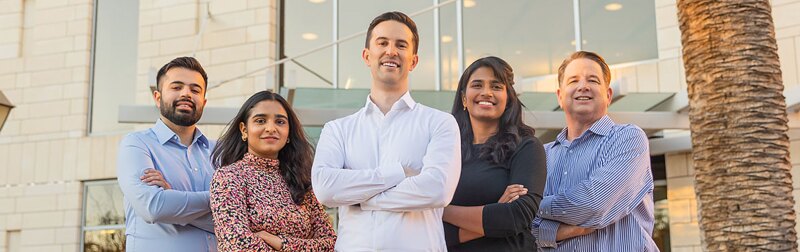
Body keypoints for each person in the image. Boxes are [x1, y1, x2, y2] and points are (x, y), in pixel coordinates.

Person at [311, 11, 461, 251]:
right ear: (367, 56)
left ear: (413, 61)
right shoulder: (337, 129)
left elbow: (437, 190)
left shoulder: (440, 123)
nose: (391, 51)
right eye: (382, 43)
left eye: (401, 45)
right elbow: (326, 188)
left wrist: (361, 198)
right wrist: (396, 173)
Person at [531, 51, 658, 251]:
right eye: (573, 81)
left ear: (608, 95)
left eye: (593, 80)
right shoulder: (541, 156)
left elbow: (594, 204)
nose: (583, 86)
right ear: (560, 96)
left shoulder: (628, 139)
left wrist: (532, 206)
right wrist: (559, 231)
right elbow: (519, 228)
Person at [209, 91, 336, 251]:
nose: (271, 128)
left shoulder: (302, 180)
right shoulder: (229, 177)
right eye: (260, 121)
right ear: (244, 129)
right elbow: (236, 244)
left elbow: (330, 243)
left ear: (289, 131)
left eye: (280, 122)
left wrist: (280, 243)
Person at [443, 56, 546, 251]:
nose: (486, 92)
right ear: (464, 98)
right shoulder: (446, 150)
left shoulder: (527, 147)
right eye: (477, 85)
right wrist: (494, 211)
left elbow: (516, 217)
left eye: (496, 86)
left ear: (508, 100)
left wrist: (439, 210)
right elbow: (432, 231)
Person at [117, 57, 217, 252]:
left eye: (195, 90)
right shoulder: (136, 144)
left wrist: (173, 199)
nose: (186, 94)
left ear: (203, 102)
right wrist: (224, 199)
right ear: (157, 97)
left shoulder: (221, 153)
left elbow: (243, 224)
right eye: (176, 87)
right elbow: (153, 207)